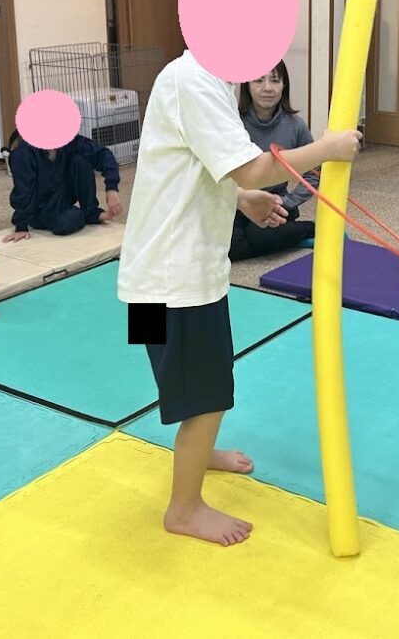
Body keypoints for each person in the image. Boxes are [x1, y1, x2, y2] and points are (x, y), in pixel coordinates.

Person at [118, 48, 360, 547]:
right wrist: (328, 148)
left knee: (189, 382)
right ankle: (184, 509)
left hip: (152, 278)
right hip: (173, 283)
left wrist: (242, 199)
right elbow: (251, 168)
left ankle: (199, 452)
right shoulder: (195, 79)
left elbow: (195, 163)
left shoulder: (208, 78)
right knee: (206, 392)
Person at [230, 61, 320, 261]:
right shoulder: (233, 123)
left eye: (275, 80)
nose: (267, 88)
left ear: (284, 85)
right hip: (238, 203)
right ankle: (285, 238)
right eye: (259, 81)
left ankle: (308, 229)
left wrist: (288, 201)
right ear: (247, 86)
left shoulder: (296, 126)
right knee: (230, 247)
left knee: (260, 236)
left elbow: (315, 172)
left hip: (275, 205)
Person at [4, 134, 123, 243]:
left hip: (62, 194)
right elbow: (23, 190)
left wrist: (111, 189)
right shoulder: (23, 153)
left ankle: (90, 212)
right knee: (69, 221)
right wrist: (21, 226)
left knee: (81, 160)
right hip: (40, 208)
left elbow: (103, 154)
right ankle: (78, 215)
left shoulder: (68, 141)